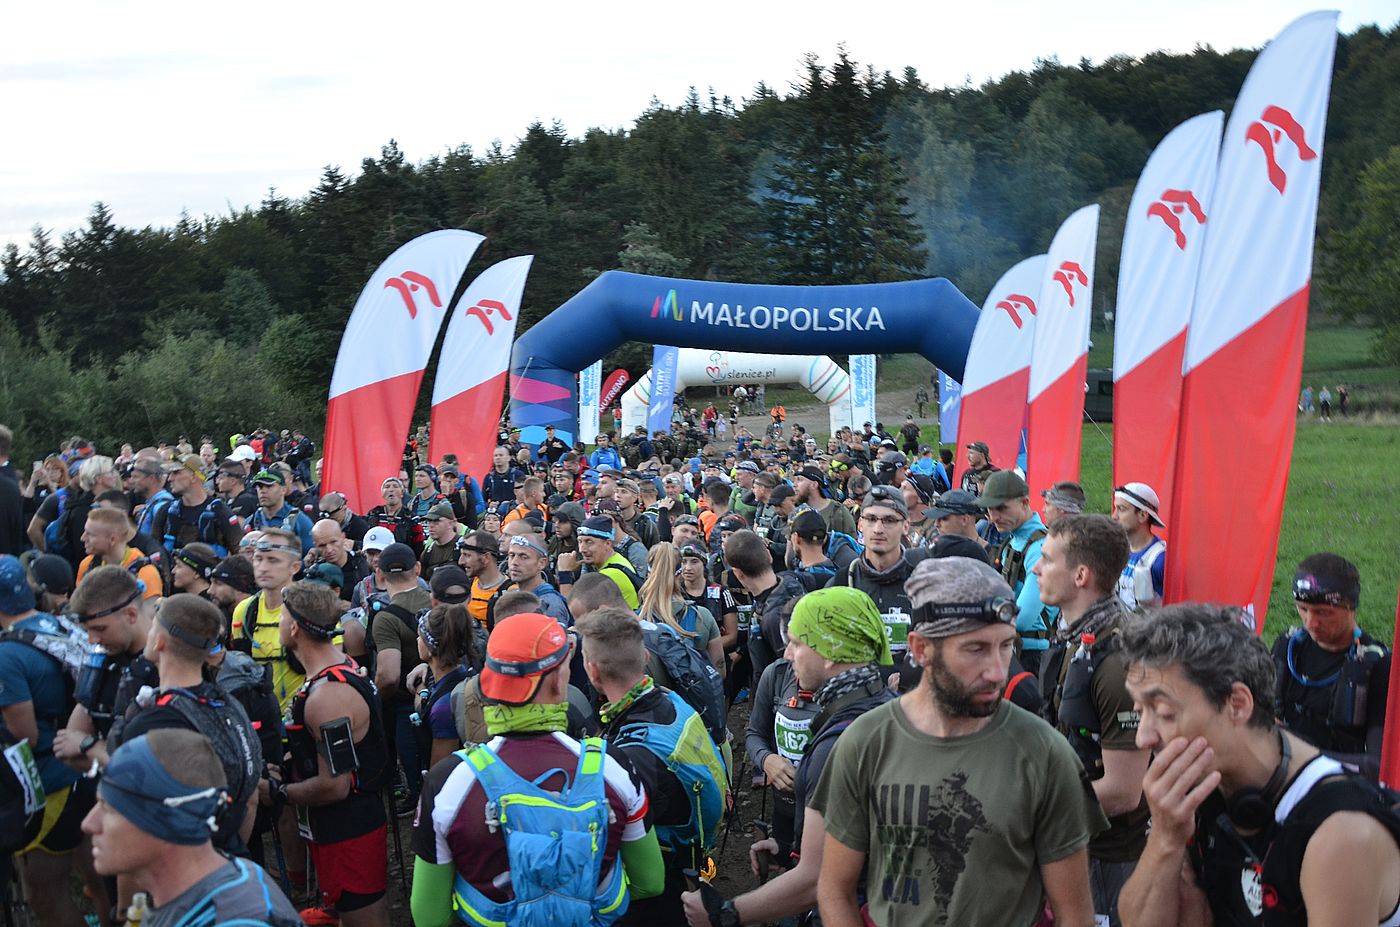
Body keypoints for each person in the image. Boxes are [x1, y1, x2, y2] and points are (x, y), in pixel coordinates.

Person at [812, 556, 1106, 927]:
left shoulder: (1044, 753)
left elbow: (1074, 916)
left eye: (1006, 646)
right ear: (921, 649)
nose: (997, 671)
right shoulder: (865, 742)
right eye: (975, 649)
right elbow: (834, 889)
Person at [1118, 604, 1400, 927]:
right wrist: (1165, 838)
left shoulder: (1341, 834)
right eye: (1139, 711)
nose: (1143, 738)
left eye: (1164, 712)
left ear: (1237, 705)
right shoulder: (1199, 789)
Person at [409, 611, 666, 927]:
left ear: (488, 682)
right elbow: (650, 882)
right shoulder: (612, 766)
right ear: (558, 681)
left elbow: (429, 916)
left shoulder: (449, 781)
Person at [685, 587, 895, 927]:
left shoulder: (839, 744)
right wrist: (789, 848)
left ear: (830, 651)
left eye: (797, 643)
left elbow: (815, 879)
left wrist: (722, 913)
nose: (787, 653)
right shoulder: (886, 705)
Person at [576, 606, 730, 926]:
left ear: (592, 671)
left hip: (661, 883)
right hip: (689, 856)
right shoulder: (670, 699)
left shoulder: (629, 757)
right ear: (645, 656)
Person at [1033, 514, 1150, 925]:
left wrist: (1032, 812)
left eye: (1047, 559)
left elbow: (1123, 791)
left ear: (1081, 575)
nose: (1036, 568)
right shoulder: (1075, 635)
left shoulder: (1116, 662)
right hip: (1075, 840)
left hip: (1110, 856)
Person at [83, 730, 301, 927]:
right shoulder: (207, 886)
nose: (88, 824)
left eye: (108, 808)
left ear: (168, 819)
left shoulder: (235, 919)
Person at [269, 580, 390, 927]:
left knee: (362, 918)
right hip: (340, 825)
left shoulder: (328, 696)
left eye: (281, 618)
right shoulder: (340, 668)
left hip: (349, 828)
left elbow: (335, 785)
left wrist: (278, 793)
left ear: (294, 628)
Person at [109, 593, 262, 854]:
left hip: (175, 862)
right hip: (228, 856)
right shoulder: (229, 703)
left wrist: (87, 748)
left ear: (159, 641)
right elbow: (250, 800)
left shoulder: (156, 721)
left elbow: (130, 808)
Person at [0, 555, 91, 927]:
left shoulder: (7, 655)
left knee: (44, 890)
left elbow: (25, 736)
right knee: (99, 882)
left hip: (52, 779)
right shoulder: (56, 623)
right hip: (87, 762)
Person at [1271, 552, 1390, 779]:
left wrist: (1295, 751)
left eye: (1323, 613)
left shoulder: (1379, 667)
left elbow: (1377, 766)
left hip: (1339, 787)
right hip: (1280, 777)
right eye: (1303, 609)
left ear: (1351, 606)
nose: (1311, 623)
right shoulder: (1287, 649)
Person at [827, 485, 932, 668]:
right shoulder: (842, 582)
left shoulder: (924, 583)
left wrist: (908, 675)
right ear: (860, 524)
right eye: (871, 519)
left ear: (905, 526)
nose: (878, 529)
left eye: (889, 520)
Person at [366, 542, 430, 811]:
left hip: (405, 705)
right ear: (417, 568)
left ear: (380, 575)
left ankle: (417, 801)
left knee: (415, 772)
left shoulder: (385, 618)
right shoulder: (437, 602)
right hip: (443, 696)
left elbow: (389, 676)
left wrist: (373, 701)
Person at [975, 470, 1053, 673]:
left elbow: (1023, 618)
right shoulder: (1014, 539)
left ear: (1025, 502)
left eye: (1002, 508)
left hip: (1032, 657)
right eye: (990, 509)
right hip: (1012, 648)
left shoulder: (1040, 547)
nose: (994, 517)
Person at [230, 528, 305, 712]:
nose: (263, 567)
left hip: (302, 716)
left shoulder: (312, 607)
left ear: (295, 567)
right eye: (258, 559)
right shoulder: (244, 610)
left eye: (273, 560)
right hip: (260, 718)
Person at [413, 603, 481, 771]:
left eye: (420, 637)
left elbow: (440, 771)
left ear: (431, 649)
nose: (417, 640)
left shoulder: (443, 708)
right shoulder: (465, 674)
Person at [153, 453, 244, 557]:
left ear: (193, 477)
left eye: (176, 472)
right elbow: (155, 552)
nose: (170, 478)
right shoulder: (166, 511)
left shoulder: (219, 512)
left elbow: (240, 553)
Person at [75, 507, 165, 595]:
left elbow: (150, 606)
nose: (82, 538)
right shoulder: (87, 565)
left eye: (90, 534)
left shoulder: (144, 572)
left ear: (112, 539)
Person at [1111, 482, 1167, 612]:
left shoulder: (1160, 560)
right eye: (1115, 508)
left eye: (1121, 509)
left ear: (1143, 515)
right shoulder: (1118, 551)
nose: (1114, 516)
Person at [502, 533, 571, 625]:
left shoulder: (549, 604)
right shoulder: (512, 596)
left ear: (541, 563)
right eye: (512, 555)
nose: (514, 562)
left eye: (524, 557)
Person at [578, 515, 643, 610]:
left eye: (589, 542)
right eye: (580, 542)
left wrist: (565, 572)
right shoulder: (617, 558)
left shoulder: (609, 575)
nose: (582, 549)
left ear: (608, 543)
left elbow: (576, 612)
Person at [247, 467, 315, 553]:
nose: (263, 491)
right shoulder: (252, 520)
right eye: (259, 487)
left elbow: (311, 553)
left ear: (283, 490)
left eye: (269, 486)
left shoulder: (299, 520)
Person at [311, 517, 371, 605]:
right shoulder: (315, 572)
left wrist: (354, 607)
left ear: (343, 537)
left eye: (333, 542)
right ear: (315, 546)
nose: (329, 550)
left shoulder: (363, 566)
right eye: (322, 545)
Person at [791, 466, 857, 540]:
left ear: (814, 485)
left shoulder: (839, 512)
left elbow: (852, 543)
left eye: (799, 480)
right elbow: (790, 546)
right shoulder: (796, 513)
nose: (794, 485)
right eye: (794, 480)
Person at [458, 531, 508, 627]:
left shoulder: (508, 593)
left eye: (467, 555)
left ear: (486, 558)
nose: (461, 561)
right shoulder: (467, 586)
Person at [366, 476, 423, 554]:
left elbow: (418, 546)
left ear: (402, 493)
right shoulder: (374, 514)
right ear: (382, 494)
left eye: (395, 486)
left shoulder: (411, 518)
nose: (391, 490)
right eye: (387, 487)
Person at [419, 502, 465, 579]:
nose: (431, 525)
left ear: (451, 523)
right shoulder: (428, 552)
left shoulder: (463, 547)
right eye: (428, 521)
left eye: (436, 521)